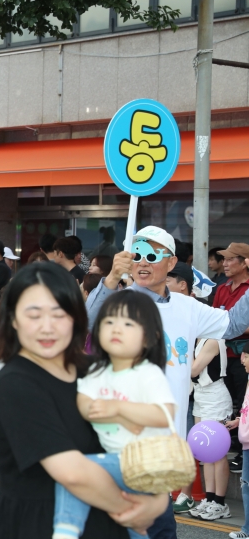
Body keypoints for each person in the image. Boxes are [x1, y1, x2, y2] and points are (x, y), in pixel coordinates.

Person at [0, 262, 170, 539]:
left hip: (104, 524)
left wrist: (157, 501)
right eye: (34, 315)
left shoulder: (97, 371)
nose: (47, 327)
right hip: (37, 525)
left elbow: (142, 441)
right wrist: (131, 512)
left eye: (59, 314)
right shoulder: (15, 381)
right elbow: (72, 472)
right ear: (13, 319)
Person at [86, 226, 249, 537]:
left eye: (152, 255)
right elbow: (86, 325)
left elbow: (233, 324)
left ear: (171, 263)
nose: (142, 263)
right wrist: (108, 281)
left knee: (159, 529)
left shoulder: (187, 307)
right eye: (137, 256)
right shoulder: (119, 301)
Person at [54, 290, 176, 539]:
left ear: (149, 338)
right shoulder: (97, 371)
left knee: (77, 470)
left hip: (143, 462)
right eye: (109, 321)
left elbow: (165, 414)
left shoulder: (148, 373)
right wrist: (119, 417)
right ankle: (67, 529)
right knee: (134, 524)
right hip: (116, 463)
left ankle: (66, 530)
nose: (116, 329)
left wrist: (118, 409)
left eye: (128, 324)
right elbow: (84, 403)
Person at [186, 338, 233, 521]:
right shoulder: (197, 339)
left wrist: (186, 350)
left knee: (218, 453)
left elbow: (193, 370)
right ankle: (209, 498)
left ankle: (220, 503)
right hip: (199, 395)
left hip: (215, 396)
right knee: (205, 453)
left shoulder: (213, 339)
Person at [213, 244, 249, 426]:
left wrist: (232, 326)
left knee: (245, 400)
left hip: (244, 357)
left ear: (244, 264)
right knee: (227, 402)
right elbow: (213, 319)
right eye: (224, 259)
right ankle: (232, 440)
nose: (224, 264)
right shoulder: (221, 288)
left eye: (230, 259)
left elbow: (220, 323)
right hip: (222, 356)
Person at [226, 351, 249, 539]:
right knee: (246, 485)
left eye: (247, 356)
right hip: (246, 442)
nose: (242, 360)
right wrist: (239, 421)